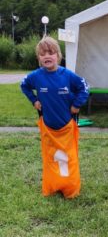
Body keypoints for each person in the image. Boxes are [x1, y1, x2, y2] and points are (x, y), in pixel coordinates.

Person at [20, 36, 89, 198]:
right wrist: (34, 100)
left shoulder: (68, 75)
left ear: (58, 56)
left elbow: (84, 87)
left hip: (66, 126)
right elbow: (23, 85)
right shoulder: (35, 76)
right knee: (51, 157)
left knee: (67, 158)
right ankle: (53, 185)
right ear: (38, 58)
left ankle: (69, 188)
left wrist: (77, 105)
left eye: (51, 53)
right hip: (48, 127)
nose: (47, 56)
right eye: (43, 54)